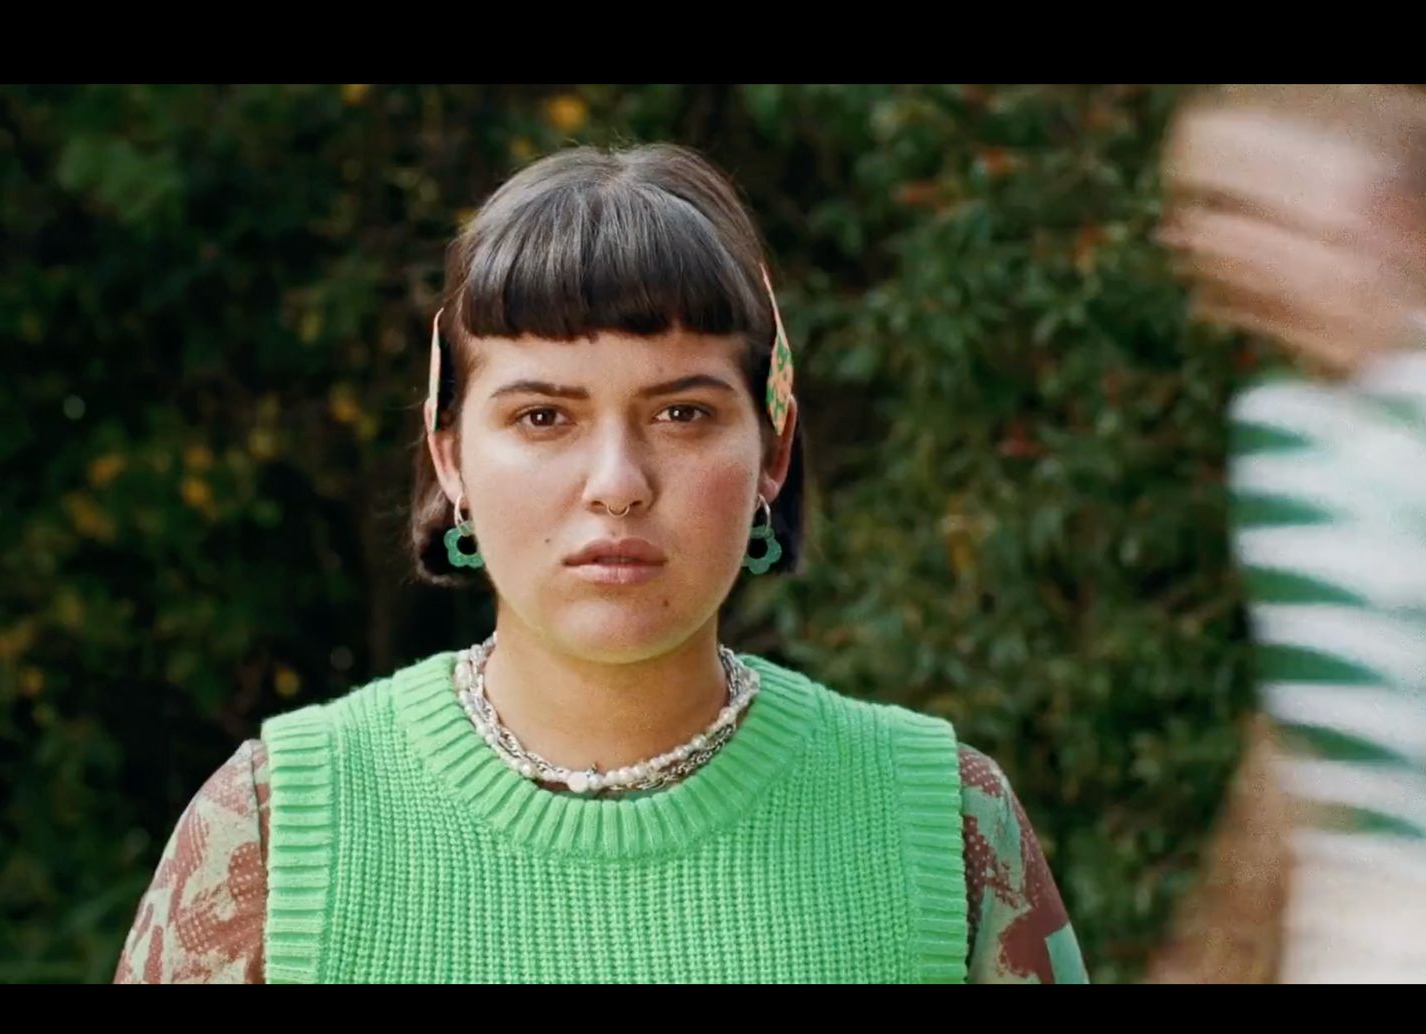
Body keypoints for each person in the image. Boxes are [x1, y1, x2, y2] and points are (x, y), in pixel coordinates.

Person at [114, 142, 1086, 984]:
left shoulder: (944, 824)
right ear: (449, 452)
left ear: (773, 450)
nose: (616, 482)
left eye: (682, 412)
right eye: (544, 417)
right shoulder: (274, 831)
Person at [1153, 83, 1426, 983]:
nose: (1191, 237)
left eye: (1241, 208)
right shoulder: (1282, 435)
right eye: (1190, 206)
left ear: (1392, 225)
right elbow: (1306, 728)